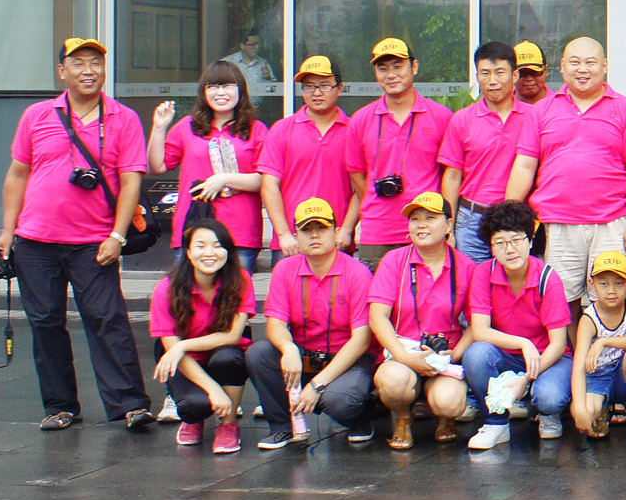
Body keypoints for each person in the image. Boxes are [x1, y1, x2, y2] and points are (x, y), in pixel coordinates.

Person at [0, 37, 154, 432]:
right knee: (45, 322)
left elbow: (131, 181)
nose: (88, 70)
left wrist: (117, 236)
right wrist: (7, 232)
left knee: (107, 320)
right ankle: (61, 406)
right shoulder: (37, 115)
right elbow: (18, 174)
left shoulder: (123, 118)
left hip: (94, 242)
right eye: (78, 63)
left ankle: (130, 405)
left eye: (95, 62)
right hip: (35, 241)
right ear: (62, 71)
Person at [505, 36, 626, 307]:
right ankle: (570, 339)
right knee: (560, 302)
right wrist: (509, 218)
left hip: (611, 222)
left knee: (612, 301)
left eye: (590, 62)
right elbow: (524, 165)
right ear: (562, 66)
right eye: (575, 62)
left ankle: (605, 339)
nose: (582, 69)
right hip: (556, 222)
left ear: (604, 66)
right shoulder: (542, 110)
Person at [254, 196, 379, 449]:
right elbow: (275, 323)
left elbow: (361, 339)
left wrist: (316, 385)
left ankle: (362, 419)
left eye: (321, 228)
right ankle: (283, 427)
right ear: (296, 237)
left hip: (349, 359)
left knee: (340, 402)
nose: (314, 235)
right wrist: (288, 348)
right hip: (305, 354)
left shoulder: (357, 273)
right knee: (259, 354)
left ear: (336, 232)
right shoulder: (284, 269)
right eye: (306, 229)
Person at [368, 191, 475, 451]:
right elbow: (377, 316)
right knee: (393, 383)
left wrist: (455, 354)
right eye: (415, 219)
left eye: (430, 218)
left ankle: (445, 417)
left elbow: (477, 323)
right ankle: (403, 417)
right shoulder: (394, 261)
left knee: (450, 402)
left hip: (445, 356)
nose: (421, 225)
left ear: (448, 225)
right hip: (403, 351)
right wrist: (403, 356)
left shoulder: (466, 266)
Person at [462, 200, 573, 450]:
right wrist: (523, 343)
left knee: (549, 398)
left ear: (530, 241)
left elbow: (558, 343)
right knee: (476, 354)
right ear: (491, 248)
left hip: (548, 358)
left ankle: (544, 410)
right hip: (507, 356)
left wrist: (525, 377)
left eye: (516, 240)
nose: (510, 249)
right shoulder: (483, 273)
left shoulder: (547, 278)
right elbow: (480, 330)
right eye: (500, 243)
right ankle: (496, 421)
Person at [344, 38, 455, 271]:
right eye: (383, 68)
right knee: (377, 293)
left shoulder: (441, 117)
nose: (391, 75)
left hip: (427, 230)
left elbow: (450, 175)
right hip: (377, 231)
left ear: (414, 67)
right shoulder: (361, 120)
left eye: (398, 66)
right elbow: (357, 176)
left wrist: (446, 224)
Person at [149, 219, 256, 454]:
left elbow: (232, 335)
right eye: (200, 246)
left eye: (217, 246)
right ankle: (194, 420)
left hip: (222, 352)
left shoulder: (241, 280)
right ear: (188, 252)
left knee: (229, 358)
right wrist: (213, 389)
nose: (209, 253)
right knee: (194, 406)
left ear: (228, 250)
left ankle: (228, 424)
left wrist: (182, 345)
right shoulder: (166, 289)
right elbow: (172, 348)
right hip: (185, 360)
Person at [150, 62, 268, 271]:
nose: (220, 93)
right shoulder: (187, 126)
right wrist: (159, 128)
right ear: (204, 92)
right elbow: (157, 166)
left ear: (241, 90)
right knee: (189, 290)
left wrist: (223, 180)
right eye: (213, 87)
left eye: (228, 86)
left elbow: (265, 180)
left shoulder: (255, 129)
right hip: (194, 228)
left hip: (240, 232)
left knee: (236, 291)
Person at [438, 41, 536, 263]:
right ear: (477, 76)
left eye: (500, 72)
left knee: (513, 281)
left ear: (514, 75)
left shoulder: (534, 116)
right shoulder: (462, 120)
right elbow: (452, 176)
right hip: (472, 220)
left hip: (516, 218)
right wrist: (448, 226)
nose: (493, 81)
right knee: (471, 281)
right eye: (485, 73)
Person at [262, 55, 358, 256]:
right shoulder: (282, 130)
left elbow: (361, 187)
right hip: (292, 243)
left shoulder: (354, 131)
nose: (316, 93)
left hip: (336, 240)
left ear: (339, 88)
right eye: (309, 86)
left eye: (324, 85)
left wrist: (347, 229)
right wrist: (283, 234)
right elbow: (269, 186)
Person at [569, 250, 626, 447]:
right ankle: (602, 409)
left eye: (618, 283)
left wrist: (604, 341)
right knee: (586, 413)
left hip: (623, 373)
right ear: (592, 284)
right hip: (598, 376)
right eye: (603, 284)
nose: (611, 290)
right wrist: (580, 408)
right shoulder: (589, 319)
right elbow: (579, 367)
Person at [221, 32, 277, 102]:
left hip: (256, 107)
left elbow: (274, 91)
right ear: (242, 46)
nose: (257, 47)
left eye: (258, 44)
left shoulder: (263, 63)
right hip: (232, 106)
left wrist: (267, 78)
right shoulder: (227, 63)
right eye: (252, 44)